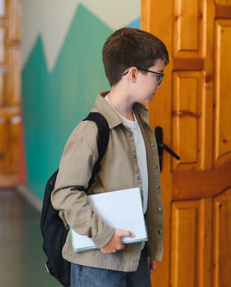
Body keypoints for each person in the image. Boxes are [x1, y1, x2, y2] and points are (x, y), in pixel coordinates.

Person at [51, 27, 169, 287]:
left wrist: (149, 247)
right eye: (158, 76)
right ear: (133, 74)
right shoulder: (91, 130)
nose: (159, 85)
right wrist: (103, 235)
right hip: (97, 263)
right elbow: (65, 193)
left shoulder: (141, 124)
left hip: (134, 253)